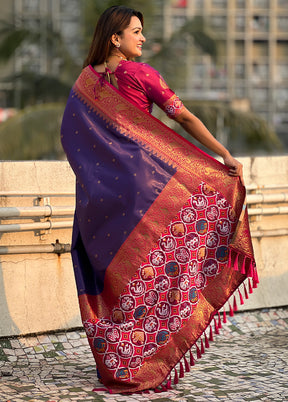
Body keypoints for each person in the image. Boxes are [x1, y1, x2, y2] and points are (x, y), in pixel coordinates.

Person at [61, 5, 258, 394]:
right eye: (136, 32)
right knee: (153, 273)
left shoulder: (84, 83)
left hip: (100, 200)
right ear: (115, 38)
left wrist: (96, 180)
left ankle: (117, 362)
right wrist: (224, 155)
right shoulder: (140, 73)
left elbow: (70, 138)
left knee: (117, 279)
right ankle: (144, 362)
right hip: (147, 194)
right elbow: (183, 118)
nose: (143, 39)